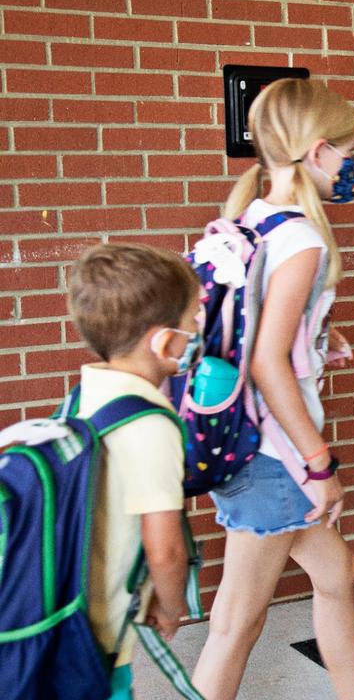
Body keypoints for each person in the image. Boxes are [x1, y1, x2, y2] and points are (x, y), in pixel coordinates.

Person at [192, 78, 354, 700]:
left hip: (249, 437)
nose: (351, 164)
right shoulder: (302, 238)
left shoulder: (251, 218)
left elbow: (265, 325)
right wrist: (319, 462)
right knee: (236, 623)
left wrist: (322, 339)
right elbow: (268, 362)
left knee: (337, 570)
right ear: (319, 152)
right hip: (270, 453)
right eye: (347, 151)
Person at [67, 242, 202, 699]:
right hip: (99, 632)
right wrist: (171, 604)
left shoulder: (81, 397)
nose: (194, 336)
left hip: (60, 605)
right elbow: (163, 548)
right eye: (190, 327)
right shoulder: (150, 423)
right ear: (165, 343)